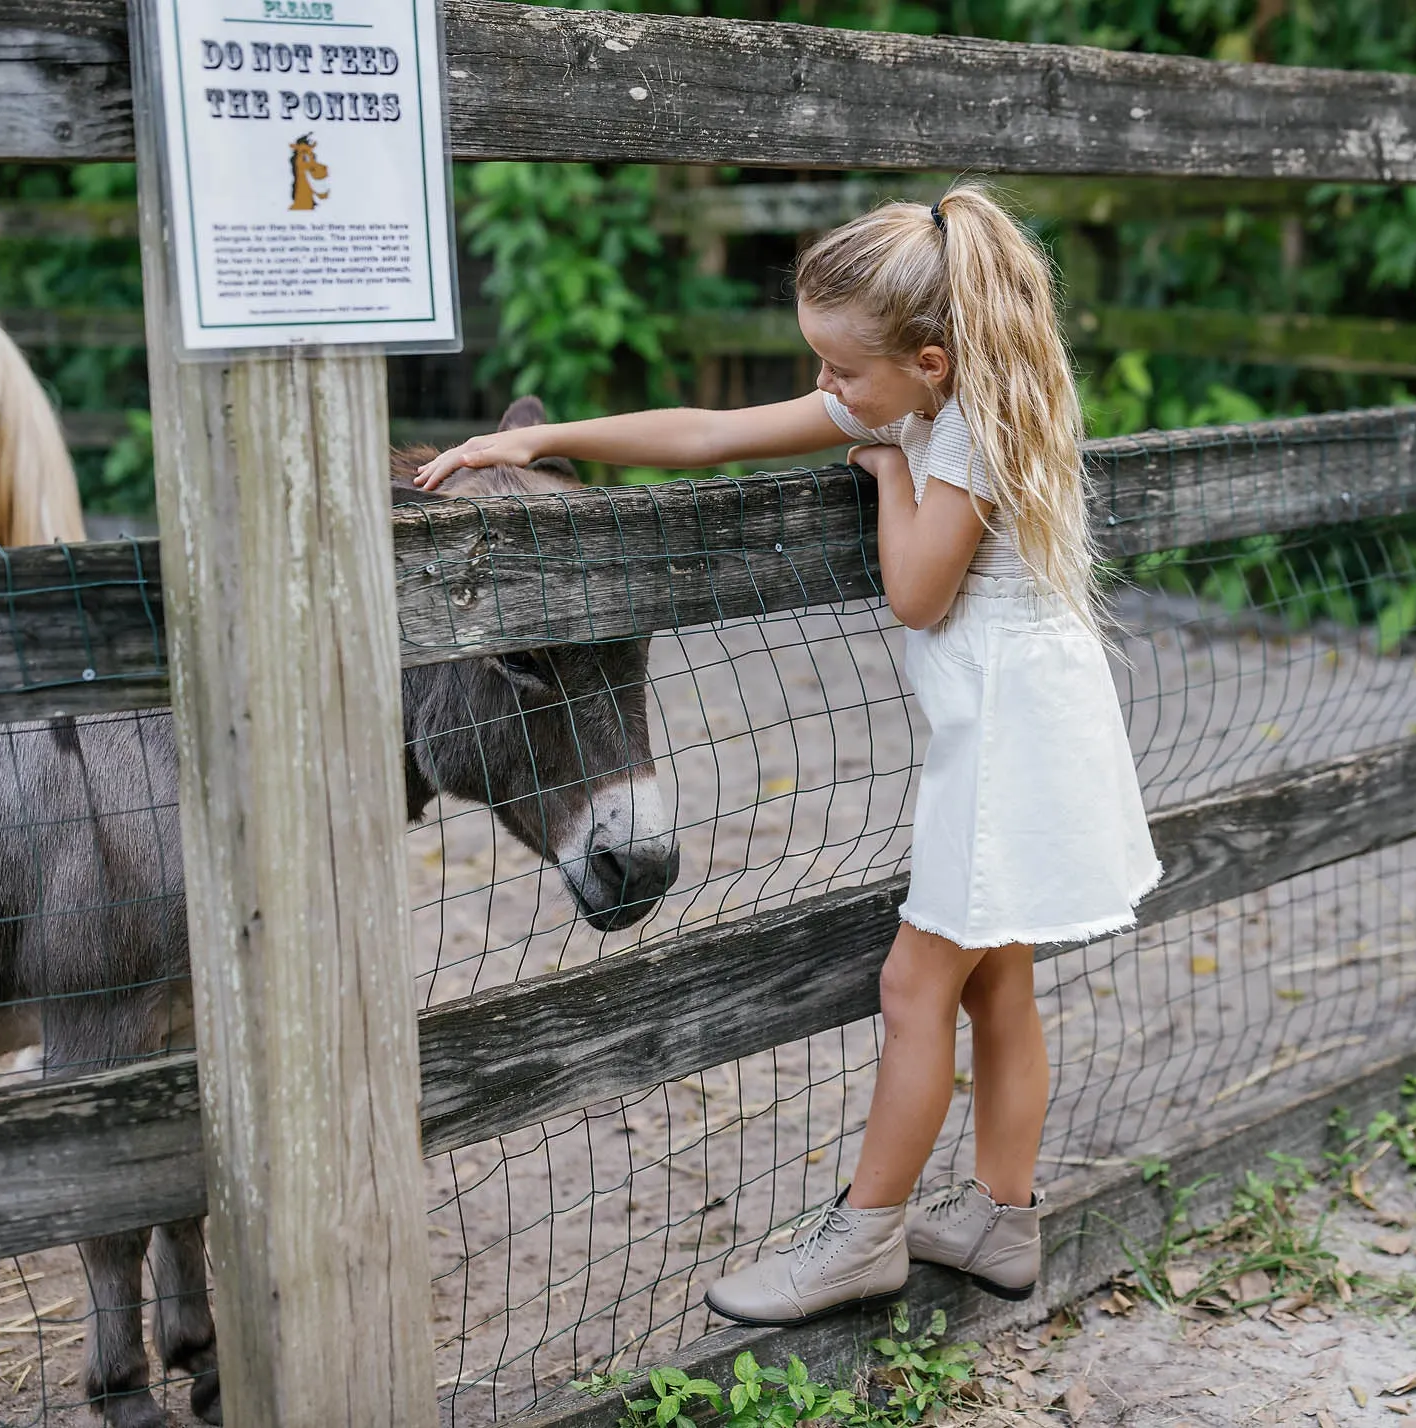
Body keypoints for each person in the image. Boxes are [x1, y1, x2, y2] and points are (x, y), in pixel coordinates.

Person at [414, 184, 1160, 1326]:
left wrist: (889, 471)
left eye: (838, 373)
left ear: (926, 359)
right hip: (1030, 724)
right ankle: (1002, 1221)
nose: (824, 392)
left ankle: (860, 1241)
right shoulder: (944, 393)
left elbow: (915, 593)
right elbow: (706, 435)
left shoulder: (958, 432)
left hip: (1008, 742)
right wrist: (538, 439)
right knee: (997, 979)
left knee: (917, 987)